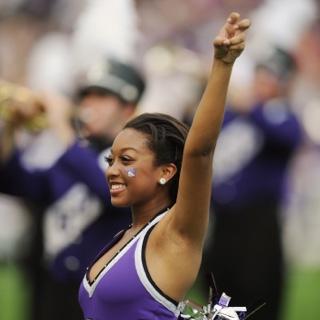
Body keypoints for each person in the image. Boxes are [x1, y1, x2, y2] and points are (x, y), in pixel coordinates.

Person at [78, 12, 250, 319]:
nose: (112, 170)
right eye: (111, 160)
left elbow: (199, 153)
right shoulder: (124, 235)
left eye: (126, 160)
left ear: (166, 172)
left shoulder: (175, 233)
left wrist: (222, 64)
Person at [0, 58, 145, 320]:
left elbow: (112, 191)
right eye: (86, 96)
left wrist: (60, 125)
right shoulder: (76, 155)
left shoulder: (137, 159)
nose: (88, 104)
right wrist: (12, 125)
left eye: (101, 96)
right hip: (53, 288)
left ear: (128, 109)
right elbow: (18, 183)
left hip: (100, 297)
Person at [203, 47, 302, 320]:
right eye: (261, 74)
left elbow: (287, 137)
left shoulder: (280, 115)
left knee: (257, 296)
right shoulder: (234, 114)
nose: (263, 82)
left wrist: (252, 107)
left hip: (259, 224)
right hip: (223, 221)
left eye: (272, 77)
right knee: (218, 293)